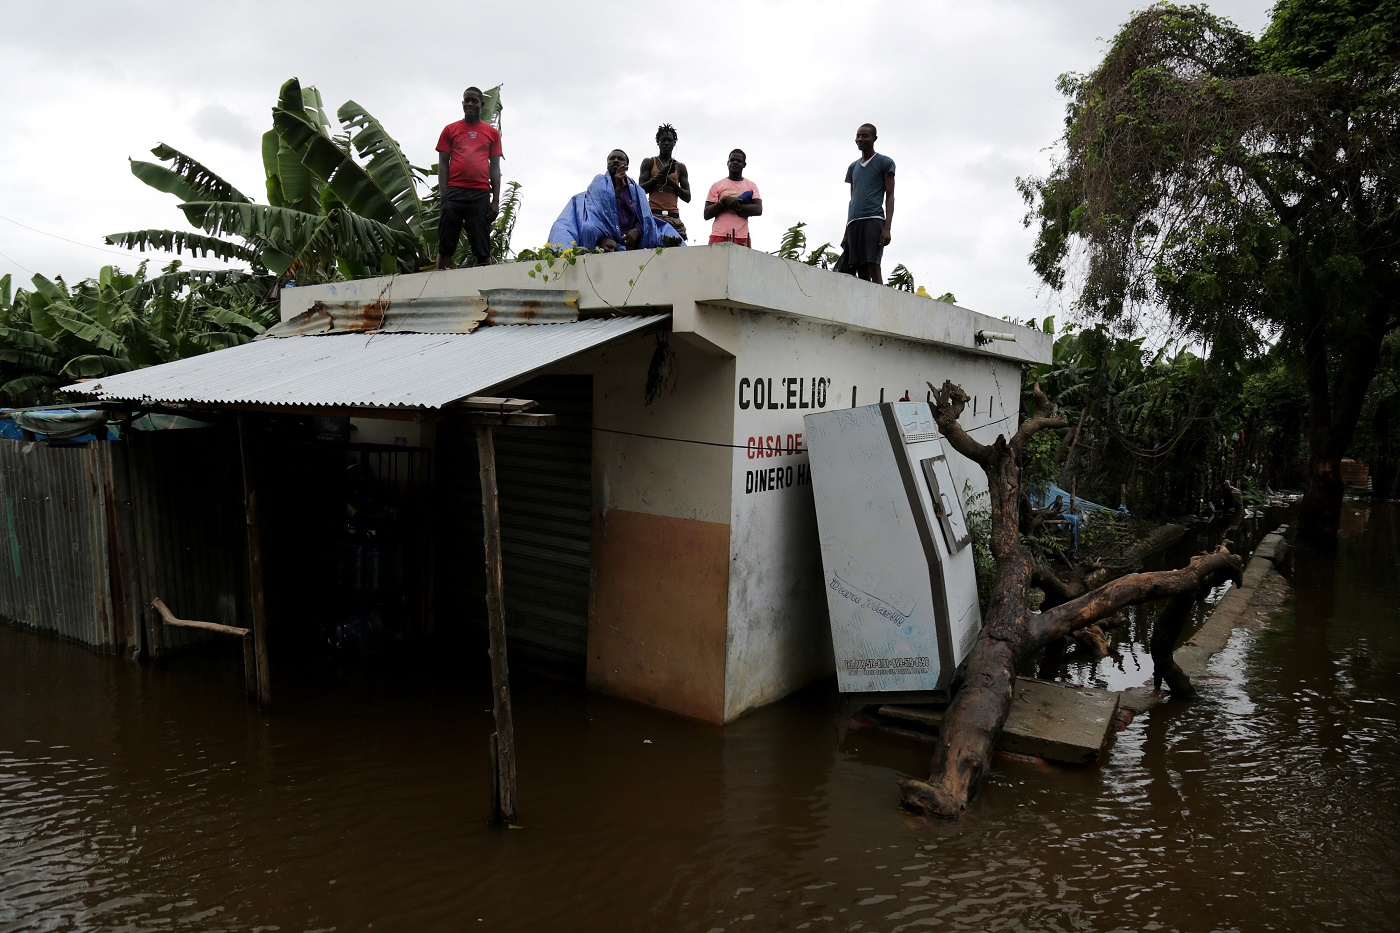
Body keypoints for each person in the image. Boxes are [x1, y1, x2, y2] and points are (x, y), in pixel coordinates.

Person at [548, 150, 683, 251]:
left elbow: (645, 218)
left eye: (620, 159)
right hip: (606, 243)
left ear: (626, 165)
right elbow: (600, 213)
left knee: (669, 236)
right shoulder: (598, 183)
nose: (616, 161)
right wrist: (617, 190)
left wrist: (637, 231)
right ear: (607, 164)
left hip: (633, 245)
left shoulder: (637, 191)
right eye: (612, 159)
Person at [435, 86, 503, 269]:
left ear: (482, 104)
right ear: (462, 104)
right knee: (445, 245)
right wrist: (444, 195)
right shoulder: (450, 130)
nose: (470, 104)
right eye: (467, 100)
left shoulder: (491, 133)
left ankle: (484, 289)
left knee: (482, 248)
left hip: (480, 194)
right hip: (454, 193)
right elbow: (443, 163)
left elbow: (495, 167)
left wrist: (495, 200)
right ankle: (438, 287)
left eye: (474, 101)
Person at [840, 123, 895, 282]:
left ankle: (879, 303)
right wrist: (846, 232)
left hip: (874, 219)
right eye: (858, 136)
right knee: (859, 268)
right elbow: (853, 200)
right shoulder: (852, 167)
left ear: (874, 138)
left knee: (872, 264)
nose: (860, 139)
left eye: (865, 136)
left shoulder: (885, 163)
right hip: (854, 222)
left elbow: (890, 196)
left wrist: (887, 228)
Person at [639, 124, 691, 242]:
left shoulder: (680, 167)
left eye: (670, 140)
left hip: (674, 218)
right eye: (663, 140)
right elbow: (640, 190)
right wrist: (659, 176)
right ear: (658, 142)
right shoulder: (649, 162)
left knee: (677, 253)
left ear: (674, 143)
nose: (666, 143)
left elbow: (687, 197)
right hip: (654, 216)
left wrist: (670, 182)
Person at [703, 150, 762, 246]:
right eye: (732, 160)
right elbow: (707, 214)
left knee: (742, 261)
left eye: (738, 161)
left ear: (744, 164)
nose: (735, 162)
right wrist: (724, 200)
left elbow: (758, 209)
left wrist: (733, 205)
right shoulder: (717, 185)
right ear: (728, 163)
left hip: (742, 237)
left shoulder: (751, 185)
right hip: (719, 235)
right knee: (717, 261)